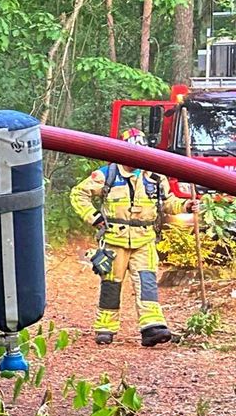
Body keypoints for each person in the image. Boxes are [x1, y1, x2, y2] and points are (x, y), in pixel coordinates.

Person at [68, 129, 197, 347]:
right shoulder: (106, 174)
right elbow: (77, 194)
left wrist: (186, 205)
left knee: (147, 283)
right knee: (111, 285)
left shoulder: (155, 177)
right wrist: (94, 217)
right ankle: (105, 329)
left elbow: (168, 202)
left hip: (144, 240)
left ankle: (152, 327)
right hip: (114, 241)